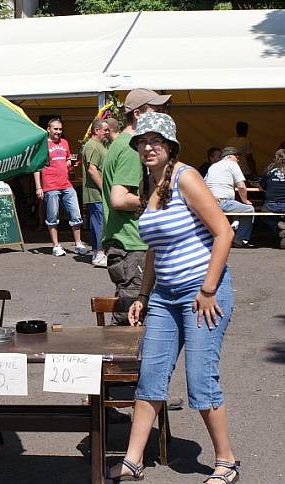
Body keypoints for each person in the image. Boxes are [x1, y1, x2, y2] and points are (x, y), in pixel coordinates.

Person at [107, 112, 239, 484]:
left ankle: (225, 459)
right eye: (142, 142)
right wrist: (144, 295)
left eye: (156, 141)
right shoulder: (150, 185)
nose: (148, 147)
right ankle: (133, 460)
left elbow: (223, 233)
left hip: (202, 292)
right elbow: (154, 249)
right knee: (150, 376)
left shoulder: (187, 177)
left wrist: (209, 288)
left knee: (200, 378)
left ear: (170, 146)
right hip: (165, 295)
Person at [101, 89, 170, 324]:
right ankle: (124, 362)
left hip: (126, 243)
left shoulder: (121, 144)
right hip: (131, 244)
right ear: (138, 114)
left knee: (129, 316)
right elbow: (119, 198)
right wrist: (156, 201)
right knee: (132, 321)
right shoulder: (132, 149)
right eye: (156, 109)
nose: (161, 115)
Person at [33, 118, 88, 256]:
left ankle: (78, 244)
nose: (58, 132)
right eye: (55, 129)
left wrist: (69, 163)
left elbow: (68, 158)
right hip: (50, 186)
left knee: (76, 214)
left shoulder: (64, 142)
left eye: (60, 129)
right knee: (53, 217)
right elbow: (36, 168)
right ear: (48, 129)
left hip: (66, 184)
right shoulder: (43, 145)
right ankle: (56, 246)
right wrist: (38, 187)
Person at [204, 147, 255, 248]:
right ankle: (240, 239)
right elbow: (241, 186)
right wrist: (245, 200)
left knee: (235, 206)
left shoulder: (213, 166)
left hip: (210, 202)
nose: (238, 159)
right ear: (230, 156)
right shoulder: (232, 164)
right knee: (249, 209)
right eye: (237, 156)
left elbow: (203, 184)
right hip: (224, 202)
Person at [81, 118, 110, 267]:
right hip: (96, 193)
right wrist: (104, 189)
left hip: (97, 193)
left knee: (98, 222)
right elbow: (92, 169)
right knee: (99, 223)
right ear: (96, 130)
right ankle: (99, 254)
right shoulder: (93, 146)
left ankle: (97, 253)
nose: (107, 132)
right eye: (105, 130)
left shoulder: (97, 145)